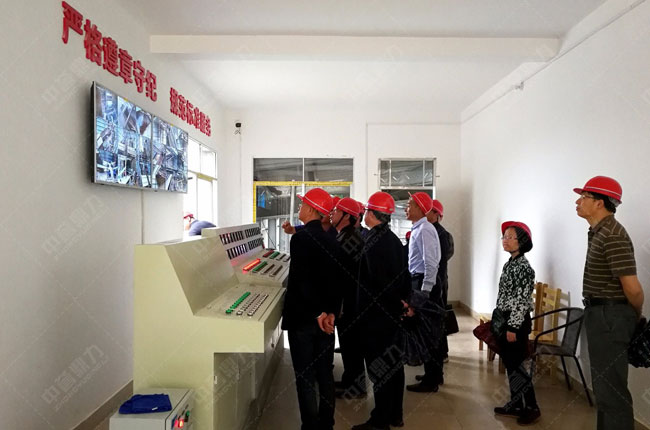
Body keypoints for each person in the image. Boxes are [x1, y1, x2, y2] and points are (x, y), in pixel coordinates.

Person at [574, 176, 644, 430]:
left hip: (610, 315)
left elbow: (633, 288)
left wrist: (634, 316)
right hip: (601, 314)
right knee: (604, 389)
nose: (578, 202)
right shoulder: (599, 231)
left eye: (584, 197)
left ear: (599, 203)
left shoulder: (613, 235)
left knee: (612, 392)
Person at [281, 188, 342, 430]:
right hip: (326, 321)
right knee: (324, 374)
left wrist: (318, 313)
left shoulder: (301, 240)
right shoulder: (332, 239)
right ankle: (327, 424)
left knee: (305, 377)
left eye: (302, 204)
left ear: (310, 209)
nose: (300, 208)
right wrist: (331, 313)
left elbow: (302, 281)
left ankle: (310, 426)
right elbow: (337, 282)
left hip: (305, 319)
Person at [352, 192, 407, 430]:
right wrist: (402, 304)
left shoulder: (373, 243)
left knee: (380, 368)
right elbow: (402, 279)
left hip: (376, 317)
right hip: (392, 315)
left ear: (373, 214)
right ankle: (395, 414)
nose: (364, 215)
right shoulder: (392, 240)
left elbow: (378, 283)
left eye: (366, 211)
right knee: (394, 365)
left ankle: (380, 420)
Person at [493, 221, 540, 425]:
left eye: (510, 237)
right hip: (506, 319)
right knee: (511, 365)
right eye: (504, 236)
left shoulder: (524, 268)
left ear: (521, 241)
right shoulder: (510, 263)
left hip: (516, 323)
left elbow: (521, 301)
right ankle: (516, 404)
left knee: (518, 367)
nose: (505, 240)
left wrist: (512, 327)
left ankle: (532, 407)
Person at [404, 192, 443, 393]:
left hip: (424, 284)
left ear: (420, 208)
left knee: (428, 332)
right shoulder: (419, 228)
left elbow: (431, 262)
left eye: (410, 204)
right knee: (425, 331)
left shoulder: (425, 229)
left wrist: (425, 291)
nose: (406, 208)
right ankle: (433, 374)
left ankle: (432, 380)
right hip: (419, 281)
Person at [329, 198, 367, 399]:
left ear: (346, 216)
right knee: (348, 344)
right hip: (350, 300)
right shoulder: (347, 235)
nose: (332, 214)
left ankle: (356, 387)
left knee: (352, 345)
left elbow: (341, 274)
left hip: (350, 303)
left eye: (336, 211)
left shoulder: (349, 238)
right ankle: (349, 380)